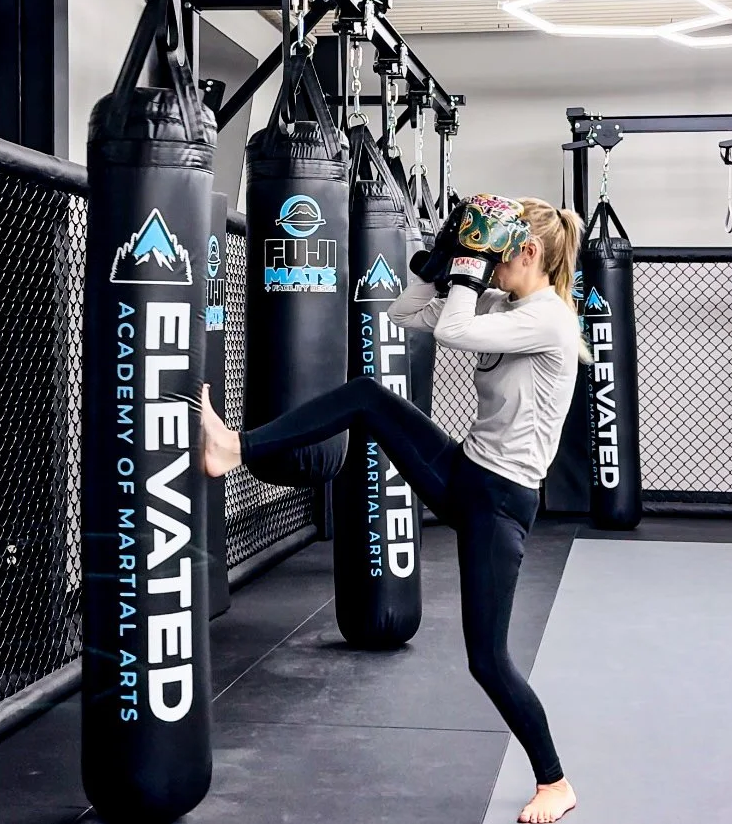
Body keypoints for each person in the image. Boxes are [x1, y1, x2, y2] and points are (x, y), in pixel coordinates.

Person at [201, 195, 589, 824]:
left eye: (496, 254)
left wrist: (465, 277)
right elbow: (403, 313)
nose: (489, 265)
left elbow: (452, 332)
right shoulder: (502, 302)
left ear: (528, 253)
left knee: (488, 661)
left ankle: (555, 782)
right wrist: (438, 266)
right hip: (463, 472)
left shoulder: (549, 320)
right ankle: (235, 448)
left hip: (500, 504)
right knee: (366, 396)